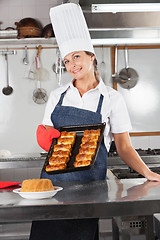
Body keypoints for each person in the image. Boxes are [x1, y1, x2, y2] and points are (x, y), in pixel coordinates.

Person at [30, 3, 160, 240]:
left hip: (89, 188)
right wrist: (44, 136)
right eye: (67, 61)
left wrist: (147, 172)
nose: (72, 65)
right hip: (52, 184)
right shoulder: (57, 96)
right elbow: (48, 135)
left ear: (91, 56)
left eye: (77, 56)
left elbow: (124, 147)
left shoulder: (111, 98)